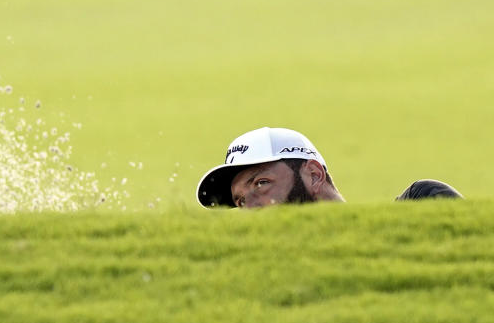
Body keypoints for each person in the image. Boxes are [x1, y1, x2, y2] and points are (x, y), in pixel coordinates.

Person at [196, 127, 462, 208]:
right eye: (239, 201)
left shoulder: (422, 202)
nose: (249, 208)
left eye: (261, 184)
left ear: (313, 175)